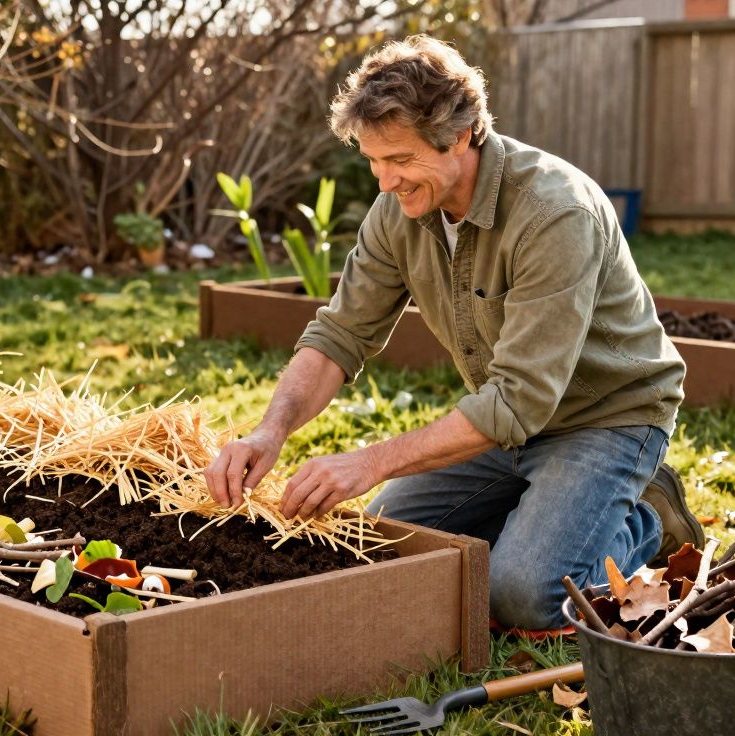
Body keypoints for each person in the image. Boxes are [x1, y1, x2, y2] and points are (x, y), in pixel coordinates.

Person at [203, 35, 702, 630]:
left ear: (461, 135)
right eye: (373, 160)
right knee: (394, 546)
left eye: (401, 159)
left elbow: (520, 397)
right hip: (505, 427)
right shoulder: (399, 209)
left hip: (606, 420)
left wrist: (371, 461)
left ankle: (645, 517)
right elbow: (340, 334)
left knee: (524, 596)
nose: (384, 181)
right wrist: (270, 431)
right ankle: (546, 514)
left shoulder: (553, 213)